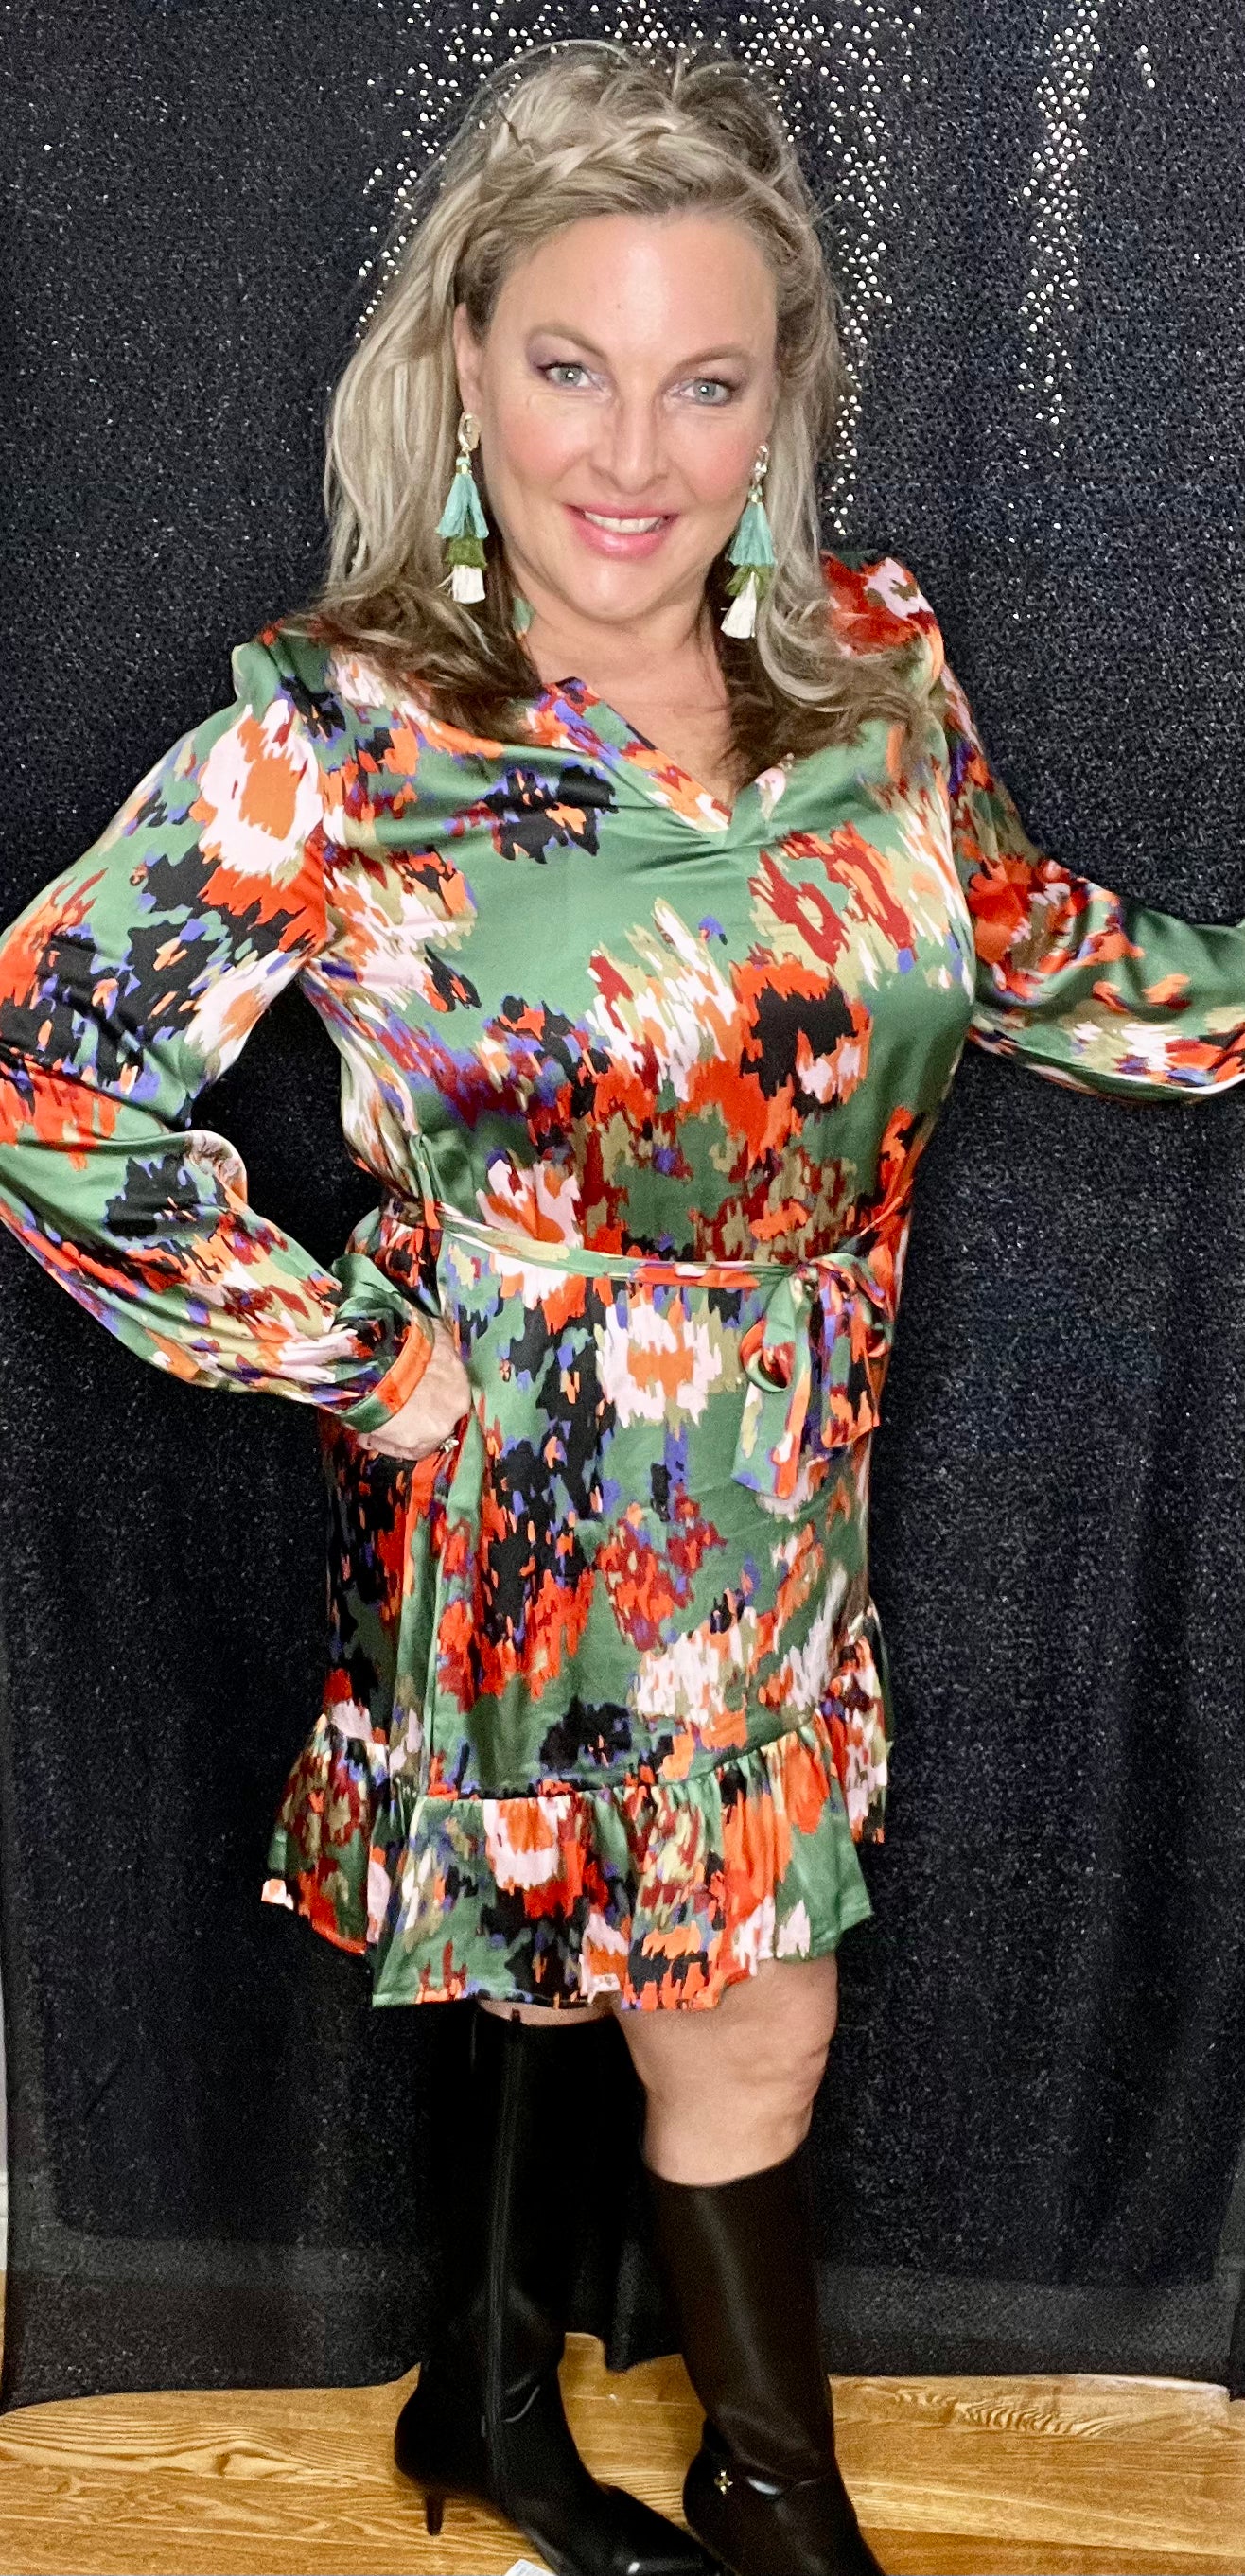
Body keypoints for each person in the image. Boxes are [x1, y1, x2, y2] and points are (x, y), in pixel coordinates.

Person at [2, 36, 1244, 2576]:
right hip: (529, 1493)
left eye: (705, 383)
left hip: (788, 1484)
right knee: (708, 1990)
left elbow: (1037, 954)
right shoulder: (344, 735)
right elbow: (50, 1076)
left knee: (591, 1965)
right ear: (462, 362)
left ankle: (482, 2400)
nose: (632, 457)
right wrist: (361, 1355)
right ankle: (771, 2494)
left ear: (782, 401)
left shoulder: (870, 675)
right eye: (570, 366)